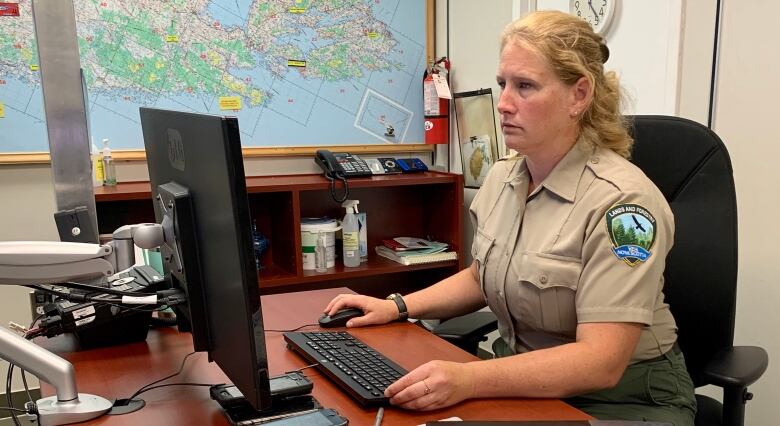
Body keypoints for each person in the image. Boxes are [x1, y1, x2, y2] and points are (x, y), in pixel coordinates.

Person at [324, 10, 696, 425]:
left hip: (624, 401)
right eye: (503, 84)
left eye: (525, 86)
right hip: (521, 382)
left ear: (579, 95)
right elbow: (482, 276)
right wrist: (397, 306)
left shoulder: (623, 204)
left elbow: (600, 362)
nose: (503, 103)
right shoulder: (503, 176)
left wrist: (468, 379)